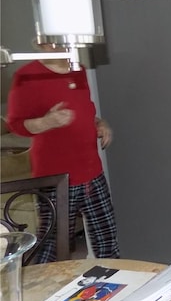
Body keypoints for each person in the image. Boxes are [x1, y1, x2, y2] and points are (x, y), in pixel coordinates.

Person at [6, 44, 120, 263]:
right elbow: (15, 125)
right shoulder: (26, 76)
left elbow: (85, 110)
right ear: (39, 44)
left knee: (107, 240)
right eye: (52, 41)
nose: (59, 46)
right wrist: (46, 122)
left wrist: (99, 122)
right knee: (52, 248)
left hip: (92, 173)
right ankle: (42, 293)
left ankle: (111, 284)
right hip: (56, 179)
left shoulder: (79, 70)